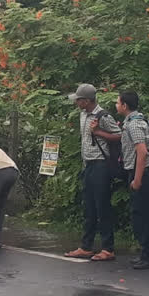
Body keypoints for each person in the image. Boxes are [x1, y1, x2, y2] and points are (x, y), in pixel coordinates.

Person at [64, 83, 121, 261]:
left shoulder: (102, 116)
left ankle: (107, 248)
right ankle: (86, 246)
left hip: (101, 165)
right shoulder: (83, 115)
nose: (76, 103)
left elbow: (119, 135)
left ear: (87, 101)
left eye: (79, 100)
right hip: (88, 165)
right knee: (88, 207)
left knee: (102, 206)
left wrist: (98, 132)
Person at [117, 91, 149, 269]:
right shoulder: (133, 122)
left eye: (118, 102)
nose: (116, 105)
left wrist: (137, 179)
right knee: (142, 214)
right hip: (141, 171)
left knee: (143, 215)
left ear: (125, 106)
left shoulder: (134, 125)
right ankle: (146, 253)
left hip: (143, 172)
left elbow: (142, 153)